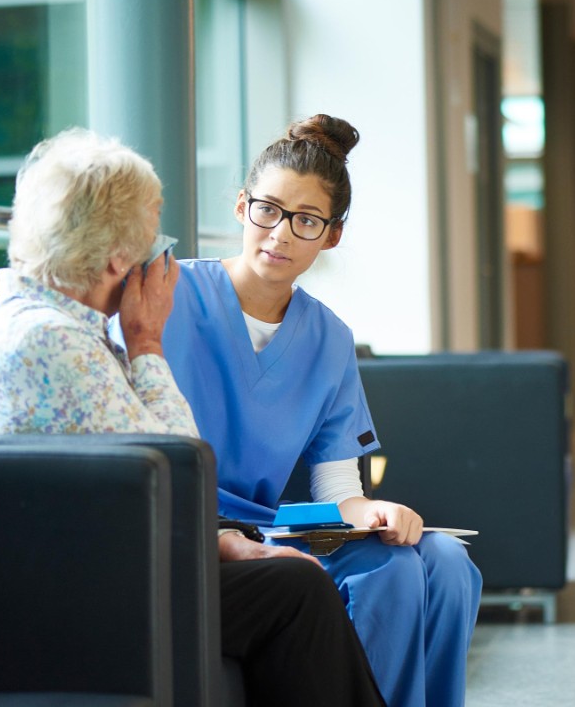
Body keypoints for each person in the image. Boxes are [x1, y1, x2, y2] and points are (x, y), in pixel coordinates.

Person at [0, 128, 386, 706]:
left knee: (289, 584)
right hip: (51, 592)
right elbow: (178, 472)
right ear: (120, 258)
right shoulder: (58, 345)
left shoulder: (19, 319)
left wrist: (225, 542)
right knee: (295, 589)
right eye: (153, 243)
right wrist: (145, 341)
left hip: (43, 567)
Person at [140, 114, 483, 707]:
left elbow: (337, 488)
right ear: (242, 206)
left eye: (306, 220)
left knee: (447, 561)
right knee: (396, 571)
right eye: (268, 211)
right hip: (197, 528)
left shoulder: (329, 338)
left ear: (331, 235)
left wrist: (374, 510)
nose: (280, 234)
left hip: (275, 529)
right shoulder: (170, 293)